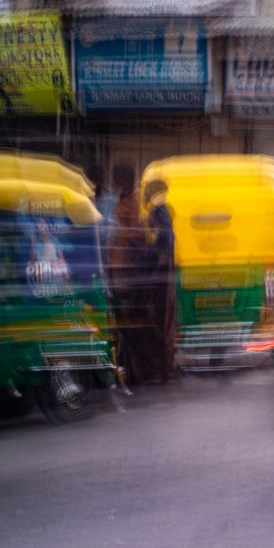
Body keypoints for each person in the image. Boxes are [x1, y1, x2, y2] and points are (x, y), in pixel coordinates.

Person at [106, 163, 149, 385]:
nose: (114, 184)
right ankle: (126, 368)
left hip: (130, 271)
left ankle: (134, 371)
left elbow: (139, 231)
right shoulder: (122, 198)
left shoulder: (137, 198)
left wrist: (118, 231)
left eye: (117, 179)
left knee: (130, 324)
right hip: (118, 268)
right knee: (121, 323)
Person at [141, 178, 177, 383]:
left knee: (161, 323)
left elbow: (165, 237)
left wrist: (152, 252)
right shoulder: (163, 210)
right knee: (164, 323)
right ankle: (165, 370)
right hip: (165, 275)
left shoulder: (159, 211)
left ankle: (163, 372)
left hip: (161, 277)